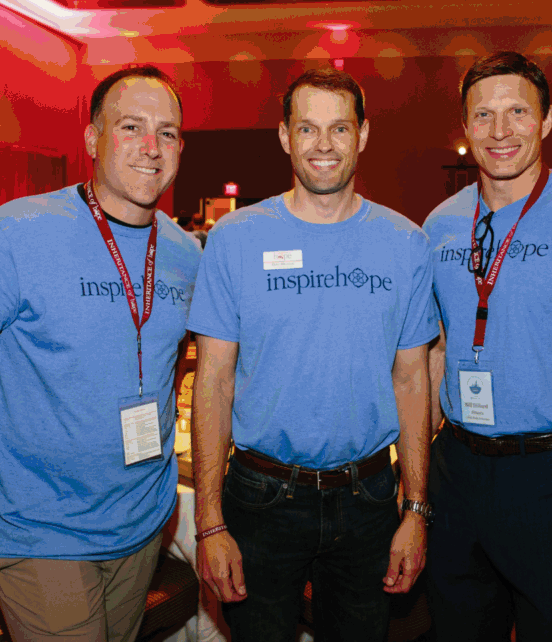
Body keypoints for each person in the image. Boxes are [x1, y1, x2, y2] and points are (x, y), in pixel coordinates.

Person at [189, 69, 438, 642]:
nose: (323, 144)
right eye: (307, 128)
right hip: (259, 497)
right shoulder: (235, 238)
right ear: (284, 136)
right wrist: (209, 523)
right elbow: (214, 382)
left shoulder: (405, 243)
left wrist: (416, 510)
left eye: (339, 128)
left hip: (369, 499)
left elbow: (412, 382)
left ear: (363, 135)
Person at [421, 52, 552, 642]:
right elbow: (434, 357)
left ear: (547, 120)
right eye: (483, 115)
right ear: (466, 126)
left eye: (517, 112)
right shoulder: (439, 225)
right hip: (456, 472)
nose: (500, 130)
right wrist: (416, 493)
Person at [0, 68, 200, 642]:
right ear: (93, 138)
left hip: (142, 521)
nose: (151, 147)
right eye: (131, 126)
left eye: (167, 132)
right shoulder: (20, 233)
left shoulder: (187, 253)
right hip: (42, 530)